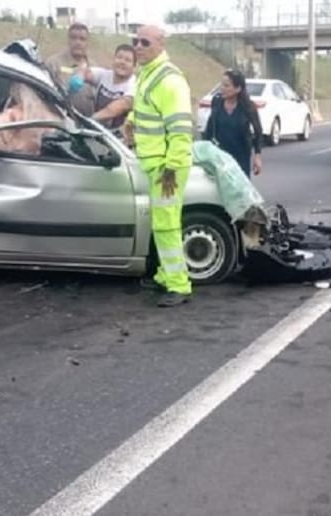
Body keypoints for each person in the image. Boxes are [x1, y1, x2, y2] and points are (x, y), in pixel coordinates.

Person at [129, 24, 194, 308]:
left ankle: (178, 284)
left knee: (166, 225)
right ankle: (166, 275)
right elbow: (145, 107)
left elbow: (180, 130)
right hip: (156, 164)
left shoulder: (169, 80)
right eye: (136, 41)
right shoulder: (148, 73)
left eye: (145, 42)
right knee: (161, 223)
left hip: (168, 168)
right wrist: (131, 121)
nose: (138, 46)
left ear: (160, 44)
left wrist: (171, 169)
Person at [202, 69, 264, 178]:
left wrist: (257, 156)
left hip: (241, 156)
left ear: (238, 88)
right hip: (220, 155)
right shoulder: (217, 102)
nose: (222, 88)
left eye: (226, 86)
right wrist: (205, 152)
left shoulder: (248, 107)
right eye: (222, 85)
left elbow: (258, 131)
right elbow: (209, 129)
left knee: (240, 186)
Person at [46, 22, 96, 117]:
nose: (78, 42)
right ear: (68, 40)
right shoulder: (53, 63)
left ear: (87, 43)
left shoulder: (94, 67)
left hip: (87, 121)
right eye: (74, 38)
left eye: (82, 39)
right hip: (60, 120)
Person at [86, 44, 137, 130]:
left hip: (118, 135)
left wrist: (89, 120)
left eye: (127, 60)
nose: (122, 62)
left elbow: (119, 107)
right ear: (113, 59)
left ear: (134, 66)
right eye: (119, 57)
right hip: (96, 129)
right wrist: (79, 77)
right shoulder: (104, 75)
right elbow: (85, 72)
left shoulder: (135, 85)